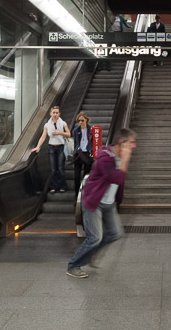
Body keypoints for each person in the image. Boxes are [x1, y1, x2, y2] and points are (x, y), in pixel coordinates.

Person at [67, 127, 136, 278]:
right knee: (95, 238)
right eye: (131, 142)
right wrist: (124, 160)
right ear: (121, 142)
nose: (134, 146)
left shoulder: (118, 156)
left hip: (108, 203)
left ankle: (91, 255)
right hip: (94, 202)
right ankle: (73, 265)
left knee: (115, 233)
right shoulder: (105, 157)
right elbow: (117, 178)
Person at [30, 105, 70, 192]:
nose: (55, 114)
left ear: (59, 114)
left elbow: (68, 134)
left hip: (61, 147)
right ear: (50, 113)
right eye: (54, 112)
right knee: (53, 169)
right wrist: (38, 146)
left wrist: (60, 132)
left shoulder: (63, 123)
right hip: (51, 147)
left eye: (57, 113)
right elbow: (43, 136)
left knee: (60, 168)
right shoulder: (47, 125)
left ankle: (63, 186)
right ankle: (54, 186)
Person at [70, 111, 94, 192]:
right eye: (79, 120)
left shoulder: (91, 129)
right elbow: (76, 142)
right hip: (78, 154)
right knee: (77, 176)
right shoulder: (76, 130)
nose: (80, 122)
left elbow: (94, 142)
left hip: (87, 154)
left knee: (86, 176)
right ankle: (76, 194)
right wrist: (75, 151)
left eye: (82, 120)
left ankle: (85, 193)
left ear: (86, 120)